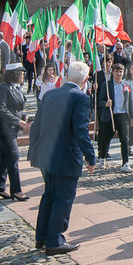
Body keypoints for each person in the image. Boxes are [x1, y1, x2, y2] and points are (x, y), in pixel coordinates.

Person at [29, 60, 97, 254]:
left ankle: (42, 237)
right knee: (63, 199)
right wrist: (90, 157)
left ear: (67, 76)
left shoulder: (50, 94)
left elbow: (37, 125)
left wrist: (35, 149)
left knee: (49, 195)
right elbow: (80, 131)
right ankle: (54, 240)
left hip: (45, 154)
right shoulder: (81, 98)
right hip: (66, 156)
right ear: (84, 80)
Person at [0, 63, 31, 201]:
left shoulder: (16, 88)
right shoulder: (3, 88)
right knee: (13, 157)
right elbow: (1, 110)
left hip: (11, 128)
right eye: (21, 73)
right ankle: (16, 190)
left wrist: (24, 116)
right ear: (14, 74)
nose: (23, 76)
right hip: (4, 129)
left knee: (4, 159)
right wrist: (18, 121)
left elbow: (16, 108)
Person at [99, 61, 133, 171]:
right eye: (116, 71)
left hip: (122, 115)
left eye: (121, 72)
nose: (119, 74)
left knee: (124, 139)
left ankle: (125, 163)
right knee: (106, 138)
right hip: (111, 114)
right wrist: (105, 103)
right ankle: (102, 157)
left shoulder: (126, 85)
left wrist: (132, 116)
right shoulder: (107, 85)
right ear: (113, 72)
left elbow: (130, 102)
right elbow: (100, 100)